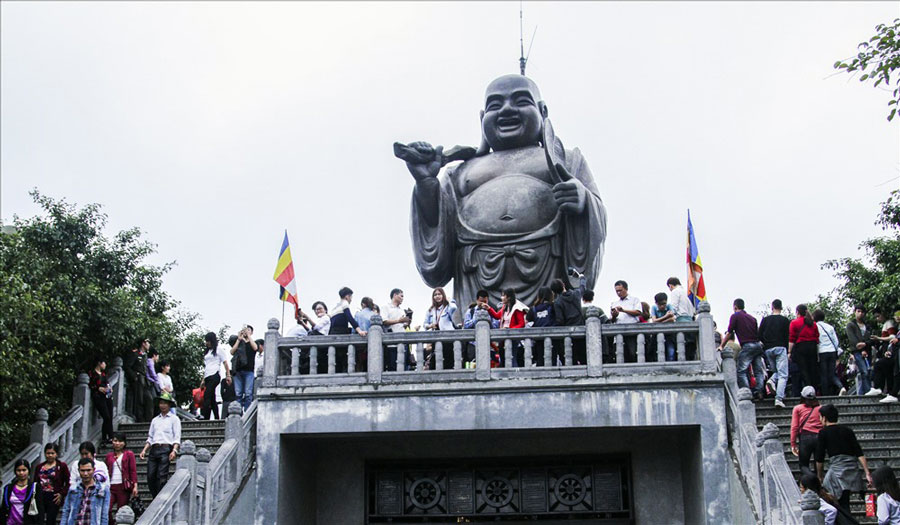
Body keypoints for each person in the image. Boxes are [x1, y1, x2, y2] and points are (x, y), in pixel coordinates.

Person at [401, 74, 607, 310]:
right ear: (482, 119)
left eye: (521, 101)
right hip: (475, 272)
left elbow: (597, 214)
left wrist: (582, 201)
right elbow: (437, 230)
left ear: (543, 112)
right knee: (478, 334)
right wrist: (427, 185)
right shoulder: (459, 171)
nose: (507, 110)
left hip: (547, 267)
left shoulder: (568, 160)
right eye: (495, 105)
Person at [815, 403, 874, 512]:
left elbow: (819, 457)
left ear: (824, 418)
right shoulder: (848, 430)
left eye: (820, 417)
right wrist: (867, 472)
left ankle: (844, 518)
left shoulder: (823, 433)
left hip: (837, 470)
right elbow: (859, 452)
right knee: (844, 498)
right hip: (851, 470)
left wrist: (819, 475)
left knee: (832, 494)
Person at [719, 298, 765, 401]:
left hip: (747, 345)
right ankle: (759, 391)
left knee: (741, 371)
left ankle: (747, 393)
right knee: (758, 371)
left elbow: (730, 332)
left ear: (735, 307)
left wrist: (722, 345)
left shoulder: (735, 316)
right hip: (757, 345)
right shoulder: (752, 318)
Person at [139, 392, 181, 498]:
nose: (163, 405)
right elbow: (150, 437)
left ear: (169, 405)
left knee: (161, 476)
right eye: (161, 403)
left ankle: (159, 499)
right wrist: (144, 450)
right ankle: (155, 497)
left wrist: (174, 451)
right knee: (150, 476)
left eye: (165, 403)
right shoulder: (155, 420)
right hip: (154, 449)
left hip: (166, 448)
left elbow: (177, 437)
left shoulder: (174, 419)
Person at [760, 299, 791, 407]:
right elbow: (788, 336)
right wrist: (788, 351)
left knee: (776, 371)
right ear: (781, 308)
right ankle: (778, 398)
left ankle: (772, 380)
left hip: (768, 349)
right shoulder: (785, 320)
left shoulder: (765, 320)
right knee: (783, 374)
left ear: (772, 307)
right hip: (781, 348)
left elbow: (760, 335)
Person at [59, 458, 109, 525]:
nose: (85, 474)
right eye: (82, 471)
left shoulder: (102, 489)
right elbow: (66, 511)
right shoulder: (73, 489)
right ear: (78, 471)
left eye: (88, 470)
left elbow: (104, 514)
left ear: (94, 470)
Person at [487, 288, 528, 367]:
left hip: (512, 338)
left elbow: (521, 323)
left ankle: (513, 376)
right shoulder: (505, 307)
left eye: (503, 295)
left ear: (508, 297)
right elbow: (497, 316)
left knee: (512, 358)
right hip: (503, 338)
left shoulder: (517, 308)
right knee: (503, 358)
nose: (501, 298)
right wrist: (488, 309)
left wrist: (510, 329)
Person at [103, 433, 136, 525]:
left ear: (124, 443)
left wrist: (135, 486)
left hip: (123, 487)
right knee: (107, 509)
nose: (117, 443)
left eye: (120, 441)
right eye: (115, 441)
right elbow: (105, 471)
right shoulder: (109, 456)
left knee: (121, 510)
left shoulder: (129, 454)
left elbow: (133, 471)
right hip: (111, 486)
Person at [790, 386, 822, 476]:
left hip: (805, 437)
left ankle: (809, 480)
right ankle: (818, 481)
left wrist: (793, 443)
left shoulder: (797, 408)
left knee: (804, 465)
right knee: (818, 463)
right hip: (819, 437)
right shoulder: (820, 408)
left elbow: (794, 427)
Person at [33, 444, 68, 525]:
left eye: (52, 453)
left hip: (54, 496)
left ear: (56, 454)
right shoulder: (39, 467)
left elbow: (68, 482)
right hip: (41, 496)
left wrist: (61, 494)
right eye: (48, 453)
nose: (50, 455)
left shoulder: (61, 466)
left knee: (51, 520)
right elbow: (35, 482)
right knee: (39, 519)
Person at [424, 287, 458, 369]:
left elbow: (454, 308)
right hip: (436, 336)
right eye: (435, 295)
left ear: (443, 295)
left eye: (439, 294)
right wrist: (430, 325)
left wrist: (449, 300)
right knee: (435, 358)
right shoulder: (430, 310)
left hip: (447, 335)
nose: (437, 296)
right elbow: (425, 325)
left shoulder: (447, 307)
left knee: (448, 357)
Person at [1, 459, 44, 525]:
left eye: (24, 470)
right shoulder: (8, 488)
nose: (21, 473)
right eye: (19, 470)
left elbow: (40, 510)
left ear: (28, 471)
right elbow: (3, 509)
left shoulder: (35, 487)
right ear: (15, 471)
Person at [790, 304, 820, 396]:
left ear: (797, 312)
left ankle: (808, 390)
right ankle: (815, 389)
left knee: (804, 370)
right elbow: (817, 337)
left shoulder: (794, 323)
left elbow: (791, 339)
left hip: (801, 347)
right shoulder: (813, 323)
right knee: (813, 369)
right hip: (812, 347)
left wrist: (789, 352)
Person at [230, 325, 262, 410]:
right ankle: (238, 413)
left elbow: (255, 348)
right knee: (238, 393)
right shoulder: (239, 343)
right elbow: (232, 352)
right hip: (238, 371)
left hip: (249, 371)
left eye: (248, 330)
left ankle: (247, 411)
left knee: (248, 394)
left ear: (251, 332)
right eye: (245, 330)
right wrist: (238, 339)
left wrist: (248, 337)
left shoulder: (254, 342)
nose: (246, 331)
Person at [463, 290, 499, 365]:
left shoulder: (491, 311)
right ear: (477, 300)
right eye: (481, 301)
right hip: (473, 343)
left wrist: (489, 319)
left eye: (485, 301)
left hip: (489, 343)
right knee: (472, 363)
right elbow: (466, 325)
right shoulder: (471, 311)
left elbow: (496, 326)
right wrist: (475, 319)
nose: (483, 304)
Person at [610, 280, 642, 362]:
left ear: (626, 289)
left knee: (633, 353)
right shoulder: (614, 303)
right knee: (620, 354)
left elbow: (638, 312)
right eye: (617, 291)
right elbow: (612, 320)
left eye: (620, 290)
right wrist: (614, 315)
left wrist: (623, 310)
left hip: (632, 330)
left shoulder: (635, 300)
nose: (618, 293)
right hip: (619, 331)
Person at [814, 309, 845, 397]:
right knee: (831, 374)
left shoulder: (815, 326)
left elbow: (816, 341)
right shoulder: (830, 327)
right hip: (832, 352)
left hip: (822, 352)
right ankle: (841, 387)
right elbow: (836, 341)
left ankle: (826, 395)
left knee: (823, 374)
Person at [201, 332, 231, 420]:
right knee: (212, 398)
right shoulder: (207, 352)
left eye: (208, 341)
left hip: (215, 375)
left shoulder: (218, 350)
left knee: (207, 395)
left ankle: (205, 416)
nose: (207, 343)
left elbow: (225, 362)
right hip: (207, 375)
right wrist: (203, 380)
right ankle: (217, 417)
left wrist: (228, 375)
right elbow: (206, 366)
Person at [870, 309, 898, 399]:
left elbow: (892, 337)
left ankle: (879, 388)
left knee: (881, 365)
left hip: (894, 352)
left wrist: (878, 338)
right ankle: (889, 391)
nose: (877, 319)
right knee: (888, 371)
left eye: (878, 316)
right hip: (889, 351)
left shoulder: (888, 323)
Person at [847, 306, 874, 395]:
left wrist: (865, 345)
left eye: (862, 312)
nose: (860, 313)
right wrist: (862, 349)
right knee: (864, 371)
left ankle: (865, 392)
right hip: (857, 352)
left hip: (868, 351)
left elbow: (871, 339)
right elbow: (853, 340)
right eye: (858, 311)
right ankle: (868, 391)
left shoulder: (868, 325)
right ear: (855, 312)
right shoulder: (851, 325)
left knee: (868, 371)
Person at [382, 289, 411, 371]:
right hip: (392, 343)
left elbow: (402, 326)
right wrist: (399, 320)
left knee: (404, 367)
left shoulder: (402, 310)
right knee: (393, 367)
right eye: (401, 296)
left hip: (403, 342)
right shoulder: (386, 307)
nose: (402, 298)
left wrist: (407, 322)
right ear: (395, 295)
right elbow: (384, 321)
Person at [526, 286, 556, 366]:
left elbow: (528, 321)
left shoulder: (533, 309)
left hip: (538, 338)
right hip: (552, 337)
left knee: (540, 358)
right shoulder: (553, 306)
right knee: (552, 359)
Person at [123, 338, 151, 422]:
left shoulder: (145, 355)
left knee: (149, 398)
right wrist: (134, 377)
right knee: (139, 400)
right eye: (148, 342)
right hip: (138, 379)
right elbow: (127, 366)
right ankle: (139, 418)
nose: (149, 344)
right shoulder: (135, 353)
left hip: (144, 380)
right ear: (143, 343)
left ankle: (148, 419)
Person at [88, 357, 114, 444]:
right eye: (104, 363)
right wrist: (98, 388)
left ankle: (110, 436)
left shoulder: (103, 374)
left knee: (109, 416)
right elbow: (91, 384)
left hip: (107, 396)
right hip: (99, 397)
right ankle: (104, 437)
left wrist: (109, 388)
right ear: (99, 363)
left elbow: (107, 383)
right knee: (106, 416)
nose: (105, 365)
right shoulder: (92, 373)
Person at [650, 292, 677, 362]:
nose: (662, 306)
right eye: (660, 304)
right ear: (656, 303)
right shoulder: (653, 308)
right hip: (657, 334)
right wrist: (666, 317)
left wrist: (660, 322)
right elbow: (654, 321)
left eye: (664, 304)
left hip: (669, 334)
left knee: (671, 351)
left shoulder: (669, 306)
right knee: (657, 352)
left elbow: (672, 319)